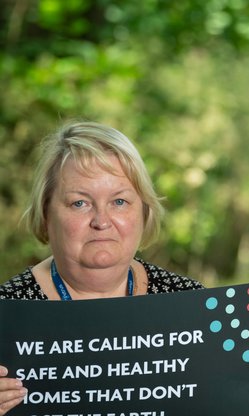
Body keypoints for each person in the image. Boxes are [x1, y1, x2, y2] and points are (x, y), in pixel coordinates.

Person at [0, 121, 204, 414]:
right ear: (45, 213)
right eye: (80, 203)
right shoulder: (5, 313)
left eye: (120, 201)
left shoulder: (192, 307)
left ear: (144, 211)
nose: (102, 221)